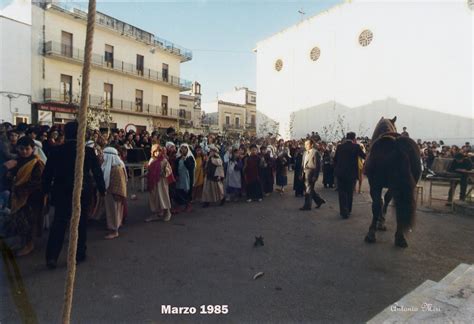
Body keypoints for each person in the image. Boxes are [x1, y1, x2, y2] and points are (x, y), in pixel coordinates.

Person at [42, 121, 106, 269]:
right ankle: (79, 254)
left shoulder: (57, 151)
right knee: (80, 223)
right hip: (81, 191)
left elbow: (47, 174)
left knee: (59, 222)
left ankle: (52, 256)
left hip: (61, 191)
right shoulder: (88, 152)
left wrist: (45, 191)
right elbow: (97, 172)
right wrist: (102, 190)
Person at [5, 136, 45, 256]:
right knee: (20, 221)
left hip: (31, 197)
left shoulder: (36, 163)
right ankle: (23, 243)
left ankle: (29, 245)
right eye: (21, 149)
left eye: (27, 149)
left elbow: (37, 182)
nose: (24, 151)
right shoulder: (17, 161)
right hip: (18, 196)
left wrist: (20, 188)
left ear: (33, 149)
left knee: (29, 222)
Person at [333, 132, 366, 219]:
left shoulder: (340, 147)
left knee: (342, 192)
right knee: (349, 192)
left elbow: (335, 159)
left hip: (340, 173)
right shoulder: (356, 147)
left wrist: (336, 169)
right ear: (354, 139)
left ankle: (343, 211)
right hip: (351, 174)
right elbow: (364, 156)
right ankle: (348, 209)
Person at [101, 147, 127, 239]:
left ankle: (114, 231)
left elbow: (118, 184)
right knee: (112, 212)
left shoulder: (116, 169)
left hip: (114, 194)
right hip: (111, 193)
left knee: (113, 212)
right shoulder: (114, 167)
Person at [146, 144, 173, 222]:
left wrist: (163, 173)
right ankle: (156, 214)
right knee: (154, 198)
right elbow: (150, 170)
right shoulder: (151, 160)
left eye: (158, 151)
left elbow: (169, 170)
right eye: (155, 151)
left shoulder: (164, 160)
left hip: (162, 182)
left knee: (163, 197)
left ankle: (167, 213)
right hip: (153, 182)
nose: (157, 153)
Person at [299, 139, 326, 211]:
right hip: (304, 172)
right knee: (309, 189)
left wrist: (315, 176)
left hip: (311, 173)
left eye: (307, 144)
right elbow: (302, 164)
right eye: (305, 144)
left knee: (308, 190)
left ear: (311, 145)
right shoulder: (304, 153)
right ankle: (319, 200)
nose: (305, 146)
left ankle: (307, 206)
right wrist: (301, 173)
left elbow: (317, 165)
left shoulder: (315, 153)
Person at [174, 143, 195, 212]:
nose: (183, 149)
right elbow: (175, 168)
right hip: (180, 177)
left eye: (185, 148)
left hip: (187, 178)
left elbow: (191, 167)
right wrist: (176, 175)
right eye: (182, 148)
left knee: (187, 191)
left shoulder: (190, 158)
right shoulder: (178, 158)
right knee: (179, 191)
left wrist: (185, 160)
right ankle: (179, 206)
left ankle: (188, 205)